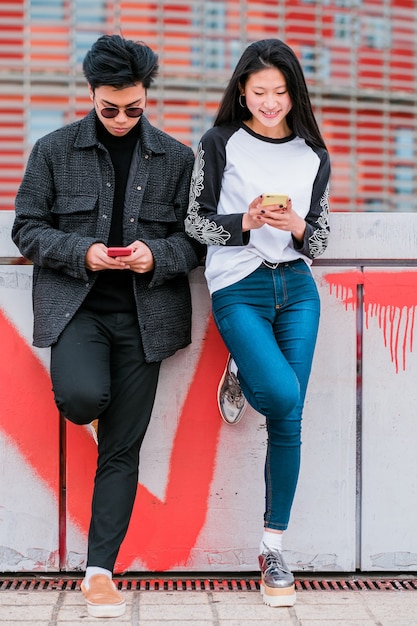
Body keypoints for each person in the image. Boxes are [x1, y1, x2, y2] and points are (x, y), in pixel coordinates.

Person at [12, 34, 203, 619]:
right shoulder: (52, 150)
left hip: (147, 319)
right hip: (79, 309)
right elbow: (26, 228)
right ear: (91, 95)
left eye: (134, 108)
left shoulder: (178, 158)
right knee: (80, 397)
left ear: (148, 98)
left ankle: (100, 572)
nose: (122, 119)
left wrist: (158, 256)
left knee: (122, 450)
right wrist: (83, 252)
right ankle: (95, 402)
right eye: (109, 108)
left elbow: (197, 241)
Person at [185, 38, 330, 607]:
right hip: (239, 285)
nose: (271, 102)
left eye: (281, 91)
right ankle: (246, 366)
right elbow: (195, 223)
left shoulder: (312, 154)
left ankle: (272, 548)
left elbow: (318, 241)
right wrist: (243, 222)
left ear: (295, 93)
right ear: (241, 91)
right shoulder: (219, 143)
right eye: (260, 91)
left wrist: (295, 223)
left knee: (289, 417)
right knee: (280, 392)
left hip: (296, 288)